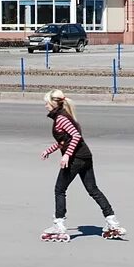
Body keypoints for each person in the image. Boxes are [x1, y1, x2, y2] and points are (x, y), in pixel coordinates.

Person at [40, 90, 125, 242]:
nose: (45, 105)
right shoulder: (65, 116)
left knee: (60, 189)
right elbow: (64, 141)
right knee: (93, 190)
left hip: (76, 159)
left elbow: (76, 136)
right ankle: (112, 221)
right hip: (85, 156)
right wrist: (49, 150)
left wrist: (67, 155)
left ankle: (59, 224)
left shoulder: (61, 118)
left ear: (54, 103)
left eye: (46, 102)